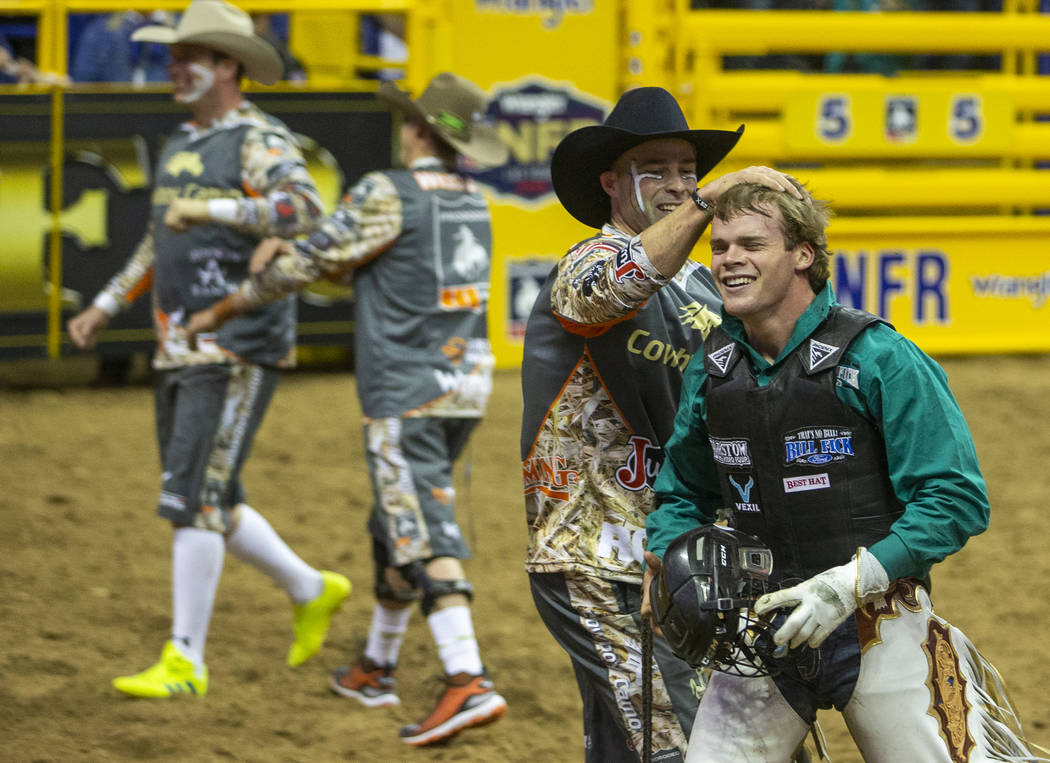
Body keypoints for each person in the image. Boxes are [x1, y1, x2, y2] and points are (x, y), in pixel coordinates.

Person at [643, 179, 1044, 761]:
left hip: (879, 621)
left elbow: (955, 498)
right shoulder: (713, 370)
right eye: (721, 246)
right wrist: (674, 562)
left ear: (803, 255)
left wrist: (846, 585)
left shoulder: (878, 356)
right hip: (757, 631)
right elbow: (681, 492)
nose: (729, 259)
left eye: (751, 244)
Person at [183, 72, 510, 746]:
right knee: (394, 520)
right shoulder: (471, 200)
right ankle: (378, 666)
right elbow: (366, 257)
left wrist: (221, 308)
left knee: (419, 524)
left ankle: (466, 674)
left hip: (405, 389)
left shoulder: (387, 191)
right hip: (464, 383)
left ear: (416, 128)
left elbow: (311, 262)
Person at [66, 0, 349, 699]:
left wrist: (215, 209)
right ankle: (310, 586)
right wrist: (107, 302)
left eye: (187, 55)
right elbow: (161, 238)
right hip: (180, 340)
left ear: (228, 65)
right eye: (171, 55)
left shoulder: (257, 137)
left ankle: (185, 656)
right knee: (205, 490)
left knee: (194, 495)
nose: (173, 66)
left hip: (235, 342)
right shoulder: (183, 142)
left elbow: (305, 208)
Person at [520, 86, 803, 762]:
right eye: (658, 170)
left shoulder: (710, 287)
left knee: (644, 740)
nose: (679, 185)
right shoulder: (583, 264)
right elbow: (621, 281)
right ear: (613, 182)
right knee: (682, 744)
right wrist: (714, 199)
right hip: (594, 553)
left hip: (686, 555)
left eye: (688, 170)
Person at [70, 10, 172, 84]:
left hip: (167, 110)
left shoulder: (179, 30)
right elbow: (83, 81)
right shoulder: (99, 31)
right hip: (111, 109)